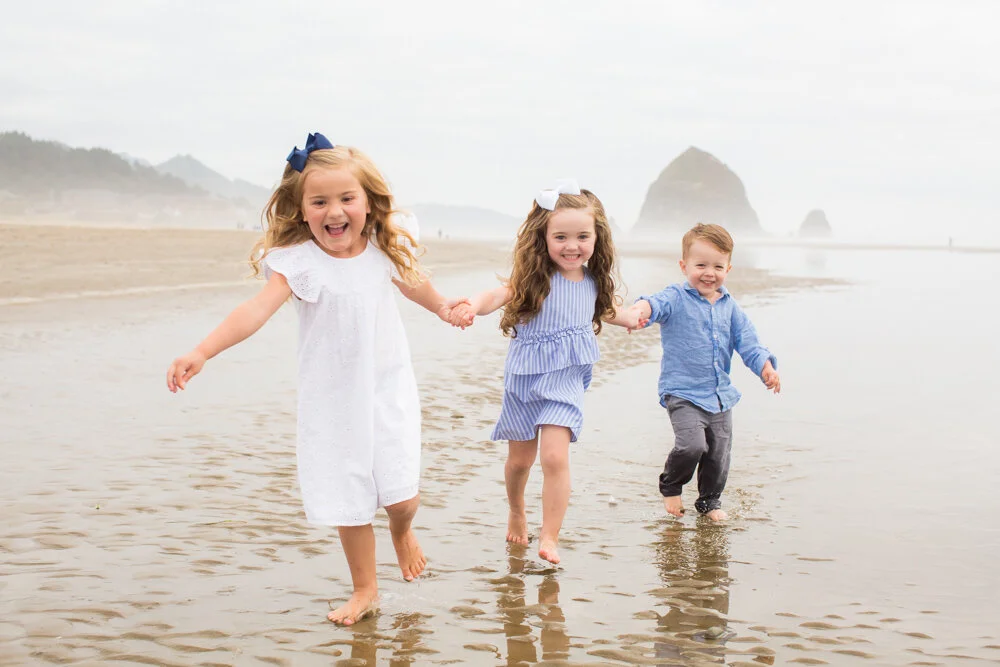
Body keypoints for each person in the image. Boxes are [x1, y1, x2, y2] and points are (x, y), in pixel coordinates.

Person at [166, 132, 466, 625]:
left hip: (387, 388)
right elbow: (254, 311)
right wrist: (202, 351)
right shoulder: (298, 263)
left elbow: (416, 285)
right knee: (349, 496)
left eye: (347, 198)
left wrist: (443, 307)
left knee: (402, 495)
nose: (335, 211)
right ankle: (365, 589)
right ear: (301, 209)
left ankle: (401, 529)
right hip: (332, 399)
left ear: (368, 203)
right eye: (320, 201)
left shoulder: (382, 249)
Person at [448, 180, 640, 564]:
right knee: (520, 461)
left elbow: (605, 311)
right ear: (544, 237)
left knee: (555, 458)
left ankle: (550, 537)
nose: (573, 246)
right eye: (562, 237)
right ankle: (517, 509)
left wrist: (633, 317)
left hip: (565, 382)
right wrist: (473, 304)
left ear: (597, 238)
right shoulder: (533, 280)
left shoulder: (591, 283)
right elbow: (494, 296)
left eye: (583, 236)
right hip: (524, 382)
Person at [628, 223, 780, 522]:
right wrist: (638, 312)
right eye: (701, 265)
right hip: (682, 392)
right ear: (684, 266)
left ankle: (709, 502)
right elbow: (652, 304)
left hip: (720, 395)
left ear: (728, 268)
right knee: (692, 445)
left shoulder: (730, 306)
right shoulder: (676, 297)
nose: (709, 273)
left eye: (717, 266)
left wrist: (765, 367)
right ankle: (671, 485)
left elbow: (747, 342)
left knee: (718, 454)